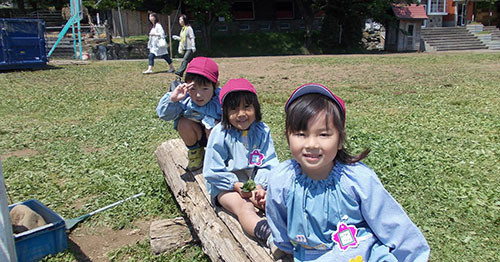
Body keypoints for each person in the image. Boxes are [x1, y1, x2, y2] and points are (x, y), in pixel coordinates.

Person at [266, 83, 430, 261]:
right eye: (301, 134)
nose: (311, 144)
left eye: (323, 135)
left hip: (361, 252)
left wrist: (414, 256)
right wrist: (284, 246)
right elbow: (278, 220)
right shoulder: (281, 179)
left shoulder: (357, 179)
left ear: (340, 140)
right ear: (287, 136)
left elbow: (391, 221)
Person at [203, 78, 279, 248]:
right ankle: (269, 237)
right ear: (224, 112)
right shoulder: (220, 134)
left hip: (254, 183)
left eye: (247, 107)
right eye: (234, 109)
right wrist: (235, 184)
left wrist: (259, 185)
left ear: (256, 108)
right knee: (243, 206)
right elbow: (212, 171)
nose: (241, 114)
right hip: (225, 187)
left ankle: (294, 230)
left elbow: (268, 162)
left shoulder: (262, 130)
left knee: (272, 200)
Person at [156, 57, 221, 170]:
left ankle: (218, 156)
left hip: (218, 139)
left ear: (215, 86)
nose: (198, 95)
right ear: (186, 85)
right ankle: (195, 152)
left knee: (213, 127)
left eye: (205, 89)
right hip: (196, 135)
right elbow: (164, 115)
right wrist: (173, 99)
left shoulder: (222, 99)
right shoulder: (184, 98)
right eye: (193, 89)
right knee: (183, 123)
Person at [172, 14, 196, 78]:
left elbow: (192, 37)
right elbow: (182, 38)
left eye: (181, 19)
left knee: (185, 60)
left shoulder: (189, 28)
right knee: (191, 61)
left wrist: (193, 46)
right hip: (185, 47)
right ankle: (196, 69)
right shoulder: (183, 29)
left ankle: (180, 72)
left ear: (184, 20)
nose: (179, 21)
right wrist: (177, 38)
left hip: (190, 47)